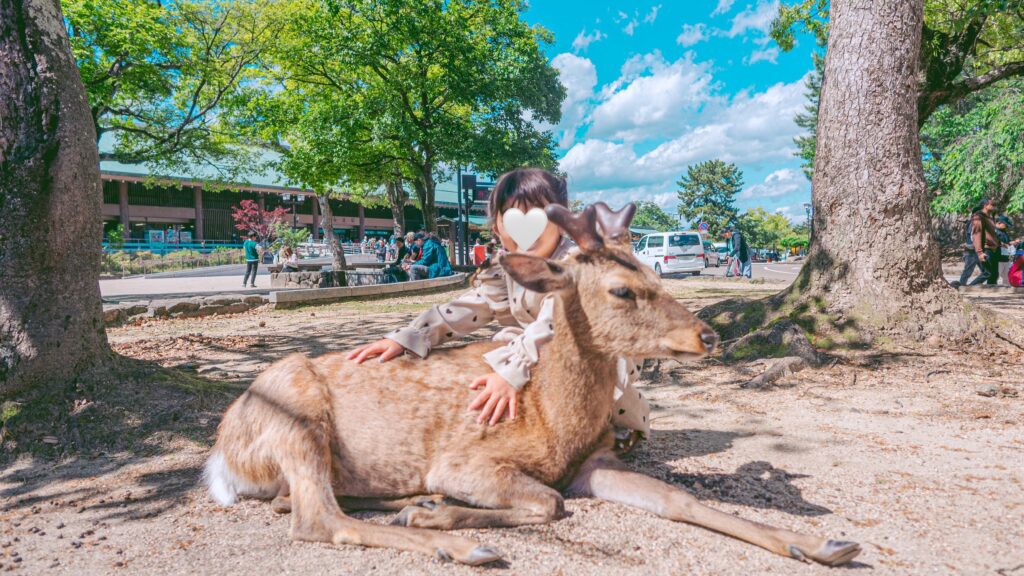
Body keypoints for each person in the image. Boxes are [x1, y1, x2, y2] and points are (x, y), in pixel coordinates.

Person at [346, 167, 650, 454]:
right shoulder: (504, 267)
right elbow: (470, 306)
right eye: (515, 216)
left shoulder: (576, 263)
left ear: (561, 223)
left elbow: (555, 322)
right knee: (498, 354)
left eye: (540, 215)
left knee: (587, 374)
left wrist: (513, 371)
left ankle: (622, 426)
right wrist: (411, 336)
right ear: (498, 227)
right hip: (538, 349)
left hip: (583, 347)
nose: (528, 227)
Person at [967, 198, 1000, 286]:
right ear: (985, 206)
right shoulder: (978, 217)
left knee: (994, 274)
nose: (993, 206)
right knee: (987, 273)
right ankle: (968, 288)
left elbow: (992, 235)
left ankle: (992, 295)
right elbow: (976, 235)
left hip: (993, 250)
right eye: (991, 204)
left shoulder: (989, 217)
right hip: (986, 249)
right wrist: (980, 252)